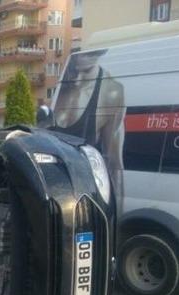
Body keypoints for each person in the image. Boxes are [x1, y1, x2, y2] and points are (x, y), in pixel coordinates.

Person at [52, 49, 125, 207]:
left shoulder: (111, 93)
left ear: (97, 57)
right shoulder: (63, 88)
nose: (77, 80)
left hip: (88, 192)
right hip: (56, 190)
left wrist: (116, 215)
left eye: (85, 72)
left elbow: (114, 162)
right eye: (74, 71)